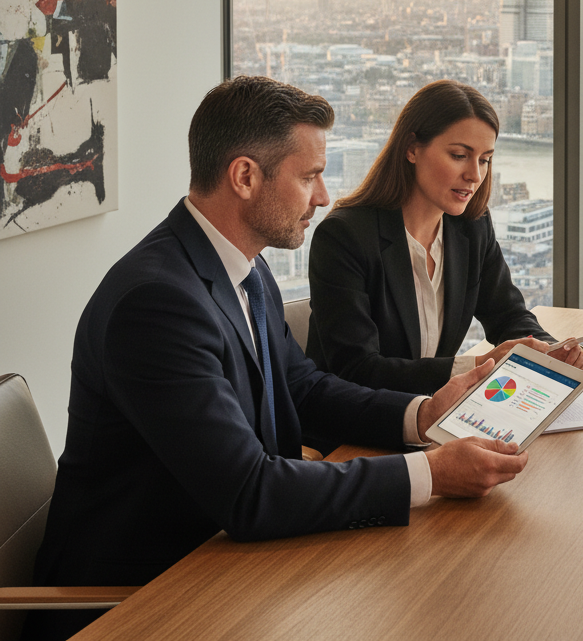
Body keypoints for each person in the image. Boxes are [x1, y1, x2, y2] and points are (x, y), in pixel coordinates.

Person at [27, 76, 526, 641]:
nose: (322, 197)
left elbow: (305, 388)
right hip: (144, 597)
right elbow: (249, 492)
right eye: (309, 176)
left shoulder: (243, 265)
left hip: (230, 563)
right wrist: (429, 473)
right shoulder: (157, 304)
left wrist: (422, 415)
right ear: (245, 177)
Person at [306, 80, 583, 395]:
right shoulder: (344, 237)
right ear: (412, 148)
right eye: (459, 155)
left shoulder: (471, 227)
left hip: (436, 413)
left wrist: (552, 351)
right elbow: (357, 368)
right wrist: (476, 366)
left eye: (484, 159)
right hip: (356, 430)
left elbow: (508, 314)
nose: (475, 175)